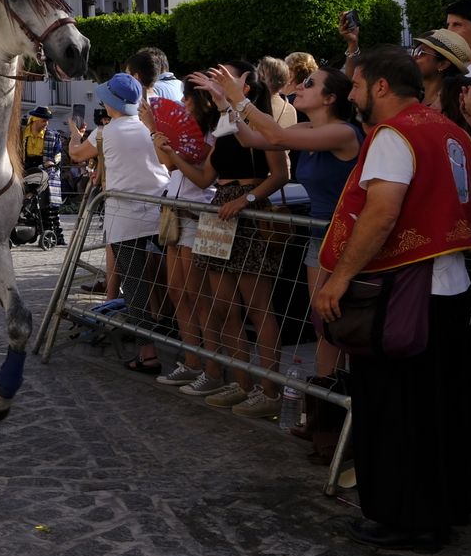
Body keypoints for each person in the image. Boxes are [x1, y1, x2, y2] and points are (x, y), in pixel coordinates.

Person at [312, 46, 471, 550]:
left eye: (359, 86)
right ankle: (453, 502)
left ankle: (409, 518)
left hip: (405, 290)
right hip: (449, 286)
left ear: (382, 86)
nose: (355, 95)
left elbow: (382, 213)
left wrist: (339, 280)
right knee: (445, 408)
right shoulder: (449, 129)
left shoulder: (395, 134)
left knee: (395, 410)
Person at [224, 64, 363, 384]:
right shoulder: (306, 130)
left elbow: (274, 134)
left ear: (329, 98)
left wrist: (240, 101)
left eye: (309, 84)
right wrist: (228, 104)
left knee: (343, 323)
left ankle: (350, 397)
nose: (298, 86)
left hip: (346, 239)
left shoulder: (344, 132)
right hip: (319, 238)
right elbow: (251, 140)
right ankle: (326, 396)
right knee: (322, 323)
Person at [176, 63, 292, 419]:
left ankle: (269, 391)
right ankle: (241, 383)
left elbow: (281, 173)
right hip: (220, 212)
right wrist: (170, 151)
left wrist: (247, 199)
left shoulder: (260, 122)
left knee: (257, 306)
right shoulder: (222, 125)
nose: (217, 84)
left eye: (224, 79)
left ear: (246, 85)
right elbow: (205, 176)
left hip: (249, 214)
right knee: (224, 303)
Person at [70, 74, 169, 371]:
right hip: (163, 212)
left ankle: (147, 353)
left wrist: (75, 133)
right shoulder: (150, 128)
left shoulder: (104, 133)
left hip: (125, 219)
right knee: (172, 284)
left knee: (136, 287)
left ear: (109, 102)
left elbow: (76, 154)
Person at [148, 81, 219, 389]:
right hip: (176, 211)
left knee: (197, 294)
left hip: (197, 213)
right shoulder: (189, 134)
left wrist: (173, 155)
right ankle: (192, 361)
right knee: (177, 290)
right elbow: (169, 165)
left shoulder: (213, 135)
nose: (183, 105)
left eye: (187, 100)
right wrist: (159, 139)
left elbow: (202, 179)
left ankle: (212, 367)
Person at [21, 107, 66, 243]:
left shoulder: (53, 135)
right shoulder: (22, 135)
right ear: (34, 120)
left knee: (50, 197)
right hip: (27, 167)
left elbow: (58, 154)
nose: (46, 123)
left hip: (47, 169)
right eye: (43, 120)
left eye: (47, 121)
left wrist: (53, 162)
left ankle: (56, 234)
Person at [410, 28, 470, 110]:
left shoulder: (453, 109)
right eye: (415, 51)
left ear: (443, 64)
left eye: (421, 52)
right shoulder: (411, 98)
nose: (413, 57)